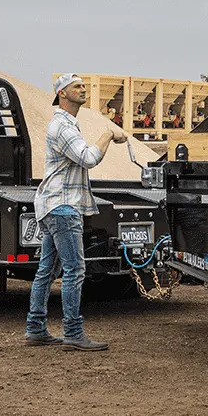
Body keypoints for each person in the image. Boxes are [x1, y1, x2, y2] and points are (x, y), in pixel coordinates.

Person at [25, 73, 127, 350]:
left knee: (48, 269)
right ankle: (72, 333)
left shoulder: (68, 125)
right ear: (62, 94)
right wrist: (108, 133)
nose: (83, 90)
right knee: (74, 269)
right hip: (62, 207)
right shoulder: (63, 127)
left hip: (54, 205)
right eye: (77, 87)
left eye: (83, 86)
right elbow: (89, 158)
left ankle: (35, 328)